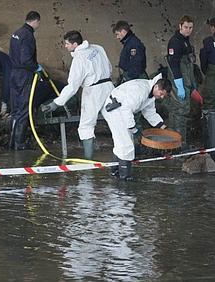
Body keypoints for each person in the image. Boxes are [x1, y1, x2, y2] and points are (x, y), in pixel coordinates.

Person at [41, 30, 114, 159]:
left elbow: (73, 86)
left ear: (75, 44)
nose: (65, 46)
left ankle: (88, 160)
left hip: (92, 91)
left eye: (67, 44)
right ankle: (124, 154)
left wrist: (55, 103)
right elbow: (109, 67)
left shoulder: (79, 59)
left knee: (86, 126)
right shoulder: (98, 48)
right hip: (109, 87)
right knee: (115, 120)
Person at [101, 74, 171, 180]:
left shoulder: (151, 94)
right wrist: (134, 129)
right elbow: (126, 109)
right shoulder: (141, 91)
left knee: (122, 144)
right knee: (126, 146)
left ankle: (115, 172)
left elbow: (150, 112)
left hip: (121, 111)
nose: (161, 97)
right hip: (115, 110)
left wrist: (163, 127)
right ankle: (125, 178)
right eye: (161, 94)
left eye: (163, 96)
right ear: (156, 87)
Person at [162, 15, 198, 148]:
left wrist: (192, 85)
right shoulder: (175, 42)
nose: (188, 30)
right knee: (180, 112)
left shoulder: (186, 41)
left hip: (187, 82)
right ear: (180, 26)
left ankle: (175, 141)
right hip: (179, 82)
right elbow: (174, 64)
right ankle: (179, 143)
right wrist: (179, 85)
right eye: (186, 27)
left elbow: (190, 66)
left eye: (191, 27)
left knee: (181, 111)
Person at [9, 11, 42, 150]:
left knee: (16, 108)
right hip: (24, 74)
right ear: (36, 21)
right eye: (39, 23)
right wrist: (36, 68)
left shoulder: (16, 33)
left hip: (14, 73)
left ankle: (11, 143)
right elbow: (26, 59)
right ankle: (19, 144)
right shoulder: (28, 35)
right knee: (24, 109)